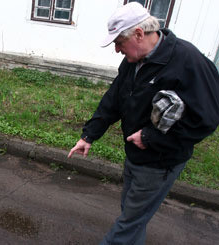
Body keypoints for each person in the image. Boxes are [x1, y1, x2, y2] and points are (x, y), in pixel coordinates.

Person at [67, 2, 219, 245]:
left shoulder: (187, 61)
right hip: (134, 154)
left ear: (138, 34)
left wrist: (150, 138)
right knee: (132, 213)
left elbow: (206, 120)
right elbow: (113, 99)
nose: (117, 50)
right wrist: (89, 136)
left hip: (160, 162)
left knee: (129, 222)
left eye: (119, 42)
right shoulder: (132, 62)